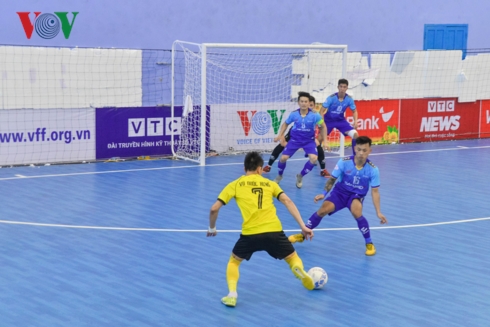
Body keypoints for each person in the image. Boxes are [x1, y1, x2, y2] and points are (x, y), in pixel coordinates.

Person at [207, 151, 315, 307]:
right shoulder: (270, 184)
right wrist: (303, 226)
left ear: (245, 169)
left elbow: (213, 209)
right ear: (260, 169)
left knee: (234, 262)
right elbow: (288, 201)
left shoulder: (235, 184)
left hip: (250, 234)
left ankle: (232, 295)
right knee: (292, 258)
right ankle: (298, 269)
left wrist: (212, 228)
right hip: (274, 231)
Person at [288, 136, 388, 256]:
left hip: (356, 196)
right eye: (359, 149)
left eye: (364, 150)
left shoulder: (373, 170)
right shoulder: (344, 162)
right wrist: (324, 194)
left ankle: (369, 243)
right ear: (355, 149)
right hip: (340, 192)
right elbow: (332, 179)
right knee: (322, 210)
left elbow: (375, 192)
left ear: (369, 151)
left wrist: (378, 212)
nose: (361, 153)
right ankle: (303, 235)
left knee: (357, 212)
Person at [263, 94, 331, 178]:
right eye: (302, 101)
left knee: (314, 156)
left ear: (309, 103)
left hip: (308, 139)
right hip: (295, 138)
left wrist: (326, 142)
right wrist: (280, 135)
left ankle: (307, 174)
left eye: (306, 102)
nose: (304, 104)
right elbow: (285, 124)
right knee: (283, 154)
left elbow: (323, 127)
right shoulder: (294, 114)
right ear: (298, 103)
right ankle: (274, 170)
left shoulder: (315, 115)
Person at [322, 78, 359, 156]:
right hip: (328, 120)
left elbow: (354, 111)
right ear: (338, 87)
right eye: (341, 86)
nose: (342, 89)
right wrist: (321, 124)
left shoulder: (349, 99)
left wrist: (355, 121)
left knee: (356, 135)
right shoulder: (331, 98)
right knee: (318, 140)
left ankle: (355, 157)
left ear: (347, 88)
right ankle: (314, 155)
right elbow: (321, 112)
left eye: (344, 87)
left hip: (340, 121)